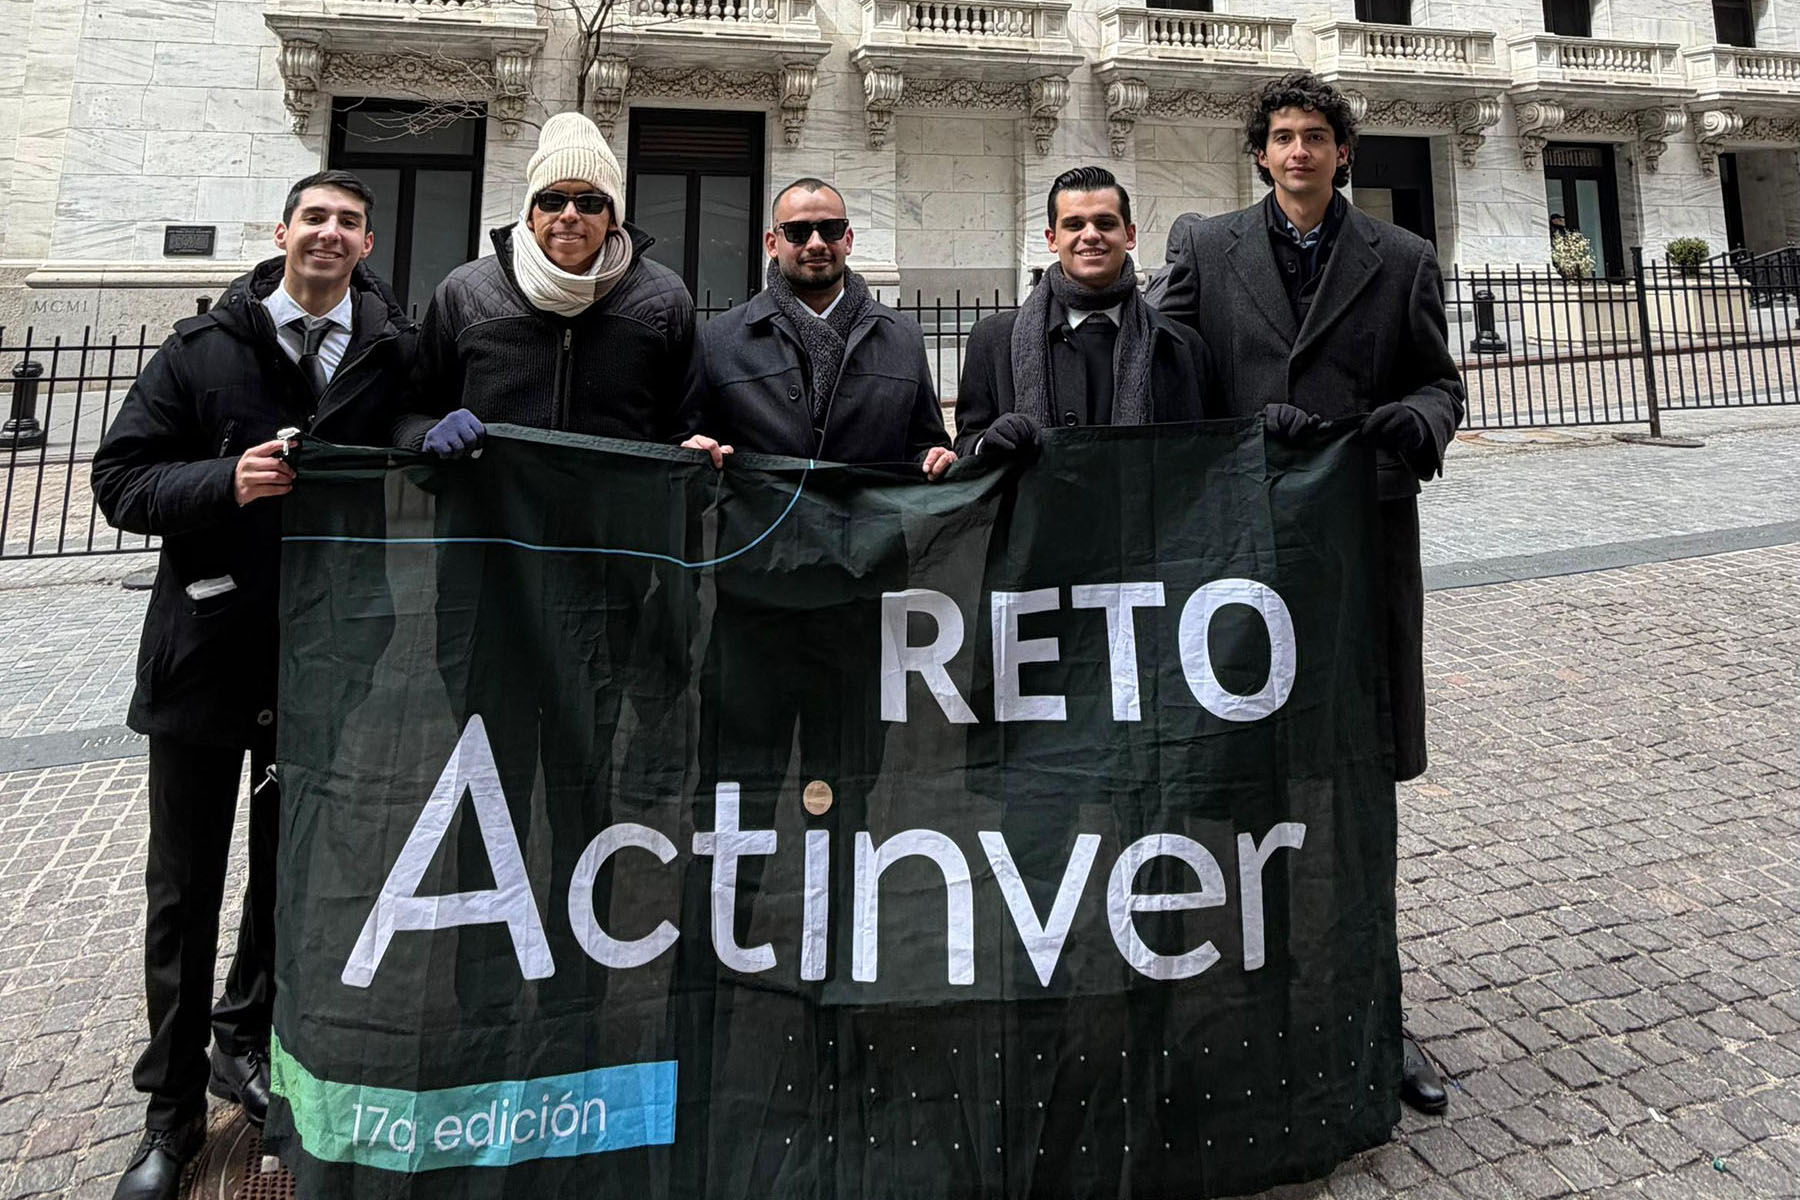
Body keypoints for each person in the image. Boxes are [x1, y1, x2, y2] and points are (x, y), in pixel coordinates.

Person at [91, 170, 415, 1200]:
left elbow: (419, 439)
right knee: (183, 894)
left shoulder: (391, 352)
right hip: (204, 656)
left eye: (348, 223)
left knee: (290, 886)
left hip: (325, 666)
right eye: (313, 217)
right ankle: (171, 1116)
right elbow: (119, 482)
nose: (329, 234)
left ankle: (251, 1045)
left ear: (367, 244)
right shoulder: (202, 348)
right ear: (282, 233)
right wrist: (221, 482)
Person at [1158, 70, 1466, 1116]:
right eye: (1282, 137)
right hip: (1239, 565)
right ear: (1259, 153)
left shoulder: (1405, 259)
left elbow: (1439, 380)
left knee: (1352, 788)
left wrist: (1417, 426)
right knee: (1242, 786)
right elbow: (1160, 371)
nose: (1298, 152)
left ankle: (1377, 1014)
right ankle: (1239, 1007)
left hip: (1358, 555)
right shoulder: (1204, 248)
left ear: (1344, 153)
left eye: (1316, 137)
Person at [393, 110, 694, 452]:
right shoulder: (463, 293)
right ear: (531, 214)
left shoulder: (664, 298)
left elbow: (687, 424)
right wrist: (428, 435)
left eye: (589, 201)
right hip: (489, 505)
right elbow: (408, 414)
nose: (568, 214)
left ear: (613, 217)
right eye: (551, 199)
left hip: (620, 506)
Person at [678, 177, 953, 474]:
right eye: (797, 232)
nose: (816, 243)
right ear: (772, 243)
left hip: (872, 520)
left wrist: (936, 457)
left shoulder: (903, 336)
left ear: (847, 239)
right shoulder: (718, 339)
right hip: (766, 520)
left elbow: (926, 446)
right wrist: (694, 449)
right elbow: (687, 442)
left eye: (830, 229)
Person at [953, 165, 1213, 458]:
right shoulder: (993, 340)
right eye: (1074, 225)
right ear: (1052, 239)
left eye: (1104, 223)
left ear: (1129, 235)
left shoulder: (1183, 346)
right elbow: (964, 444)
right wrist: (986, 443)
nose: (1090, 235)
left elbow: (1205, 455)